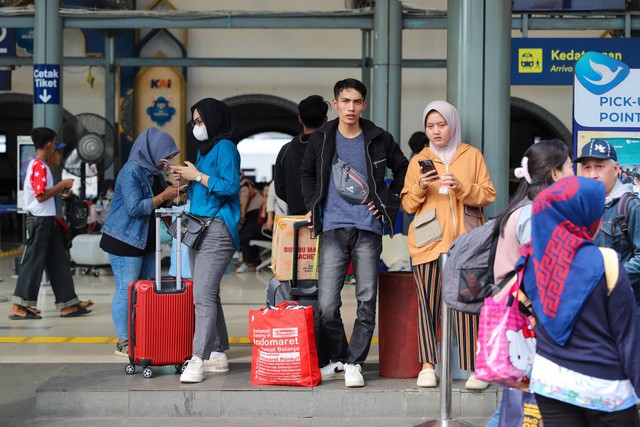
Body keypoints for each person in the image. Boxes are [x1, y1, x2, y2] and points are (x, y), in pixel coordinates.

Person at [300, 78, 408, 388]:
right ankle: (340, 355)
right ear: (335, 104)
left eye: (357, 101)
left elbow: (402, 168)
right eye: (345, 101)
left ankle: (354, 362)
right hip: (332, 225)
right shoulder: (322, 137)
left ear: (363, 104)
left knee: (366, 298)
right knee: (326, 304)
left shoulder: (378, 137)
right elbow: (306, 173)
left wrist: (388, 202)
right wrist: (312, 204)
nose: (351, 107)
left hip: (368, 227)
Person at [518, 176, 640, 426]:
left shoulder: (532, 261)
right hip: (606, 390)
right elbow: (628, 338)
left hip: (550, 384)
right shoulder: (606, 262)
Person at [400, 100, 496, 390]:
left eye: (441, 124)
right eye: (430, 126)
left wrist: (461, 187)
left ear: (452, 124)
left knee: (468, 304)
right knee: (427, 305)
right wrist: (420, 185)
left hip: (466, 245)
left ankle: (474, 368)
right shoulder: (419, 160)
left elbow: (488, 194)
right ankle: (428, 366)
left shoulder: (472, 156)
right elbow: (406, 204)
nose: (435, 131)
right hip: (428, 243)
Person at [486, 139, 574, 427]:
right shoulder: (533, 214)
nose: (574, 173)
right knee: (518, 403)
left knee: (515, 402)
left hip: (515, 317)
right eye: (570, 166)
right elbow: (538, 275)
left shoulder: (523, 208)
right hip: (525, 320)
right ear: (555, 174)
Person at [171, 97, 240, 384]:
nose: (197, 126)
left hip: (217, 228)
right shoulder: (205, 149)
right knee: (207, 292)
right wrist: (188, 179)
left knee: (202, 296)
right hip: (198, 226)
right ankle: (217, 351)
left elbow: (229, 185)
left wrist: (197, 175)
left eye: (201, 121)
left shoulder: (226, 147)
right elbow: (206, 184)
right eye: (195, 121)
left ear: (214, 120)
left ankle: (197, 359)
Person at [100, 127, 180, 356]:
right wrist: (165, 196)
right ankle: (124, 341)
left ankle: (143, 336)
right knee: (127, 289)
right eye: (167, 156)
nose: (169, 161)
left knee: (146, 289)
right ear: (153, 151)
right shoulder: (131, 171)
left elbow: (159, 204)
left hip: (145, 240)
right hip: (124, 239)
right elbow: (135, 208)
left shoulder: (153, 173)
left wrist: (175, 190)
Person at [10, 127, 93, 319]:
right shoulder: (39, 165)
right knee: (33, 262)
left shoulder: (39, 166)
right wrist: (61, 185)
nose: (55, 147)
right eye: (54, 143)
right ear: (49, 144)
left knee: (58, 259)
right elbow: (40, 197)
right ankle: (19, 305)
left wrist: (60, 190)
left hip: (47, 219)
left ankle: (68, 303)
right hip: (40, 220)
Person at [574, 139, 640, 309]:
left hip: (622, 306)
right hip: (590, 307)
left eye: (599, 166)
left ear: (616, 169)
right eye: (587, 167)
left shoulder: (630, 206)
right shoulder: (580, 206)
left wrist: (608, 279)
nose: (592, 174)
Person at [275, 95, 329, 216]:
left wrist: (296, 203)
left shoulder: (286, 150)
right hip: (327, 218)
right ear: (325, 120)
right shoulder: (331, 147)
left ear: (300, 119)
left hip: (297, 217)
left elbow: (279, 188)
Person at [236, 175, 264, 273]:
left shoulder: (244, 185)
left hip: (254, 215)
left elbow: (244, 201)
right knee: (249, 236)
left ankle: (248, 262)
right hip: (257, 216)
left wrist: (242, 216)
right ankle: (254, 260)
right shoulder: (249, 184)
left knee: (244, 235)